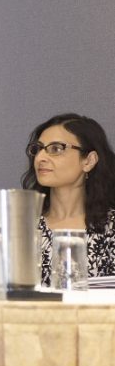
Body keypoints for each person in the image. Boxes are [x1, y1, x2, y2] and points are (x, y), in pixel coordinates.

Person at [21, 113, 115, 285]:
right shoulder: (22, 227)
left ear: (89, 161)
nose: (40, 158)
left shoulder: (111, 227)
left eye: (56, 148)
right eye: (38, 148)